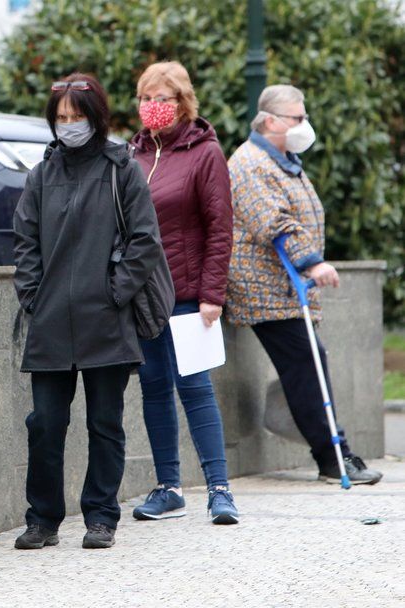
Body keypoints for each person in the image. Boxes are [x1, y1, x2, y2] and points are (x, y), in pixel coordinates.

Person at [12, 73, 164, 551]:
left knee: (105, 422)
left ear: (96, 117)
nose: (68, 126)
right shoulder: (41, 175)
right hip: (51, 321)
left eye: (77, 117)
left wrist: (114, 293)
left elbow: (145, 240)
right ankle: (43, 520)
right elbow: (25, 243)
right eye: (60, 118)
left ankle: (101, 517)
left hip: (107, 321)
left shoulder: (122, 169)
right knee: (45, 424)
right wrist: (33, 296)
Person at [225, 84, 382, 485]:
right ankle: (333, 457)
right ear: (271, 120)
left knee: (308, 364)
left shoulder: (283, 160)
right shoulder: (250, 163)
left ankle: (324, 445)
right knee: (307, 363)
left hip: (287, 286)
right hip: (265, 288)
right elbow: (272, 222)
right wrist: (312, 262)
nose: (304, 125)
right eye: (298, 118)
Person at [128, 62, 239, 524]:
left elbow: (220, 226)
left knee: (195, 389)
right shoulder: (129, 155)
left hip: (190, 294)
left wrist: (213, 293)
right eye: (146, 98)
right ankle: (168, 487)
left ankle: (220, 490)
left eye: (164, 98)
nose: (154, 107)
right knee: (153, 390)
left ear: (183, 102)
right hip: (143, 296)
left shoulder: (204, 152)